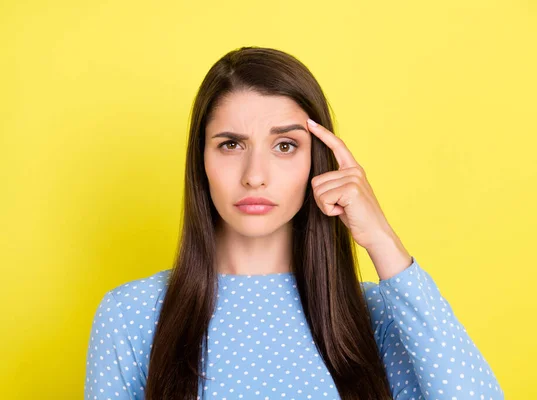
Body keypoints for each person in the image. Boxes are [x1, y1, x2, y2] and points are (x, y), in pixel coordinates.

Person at [84, 46, 504, 400]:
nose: (255, 175)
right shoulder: (132, 315)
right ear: (201, 161)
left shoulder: (375, 315)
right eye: (231, 145)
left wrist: (382, 240)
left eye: (285, 145)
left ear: (317, 162)